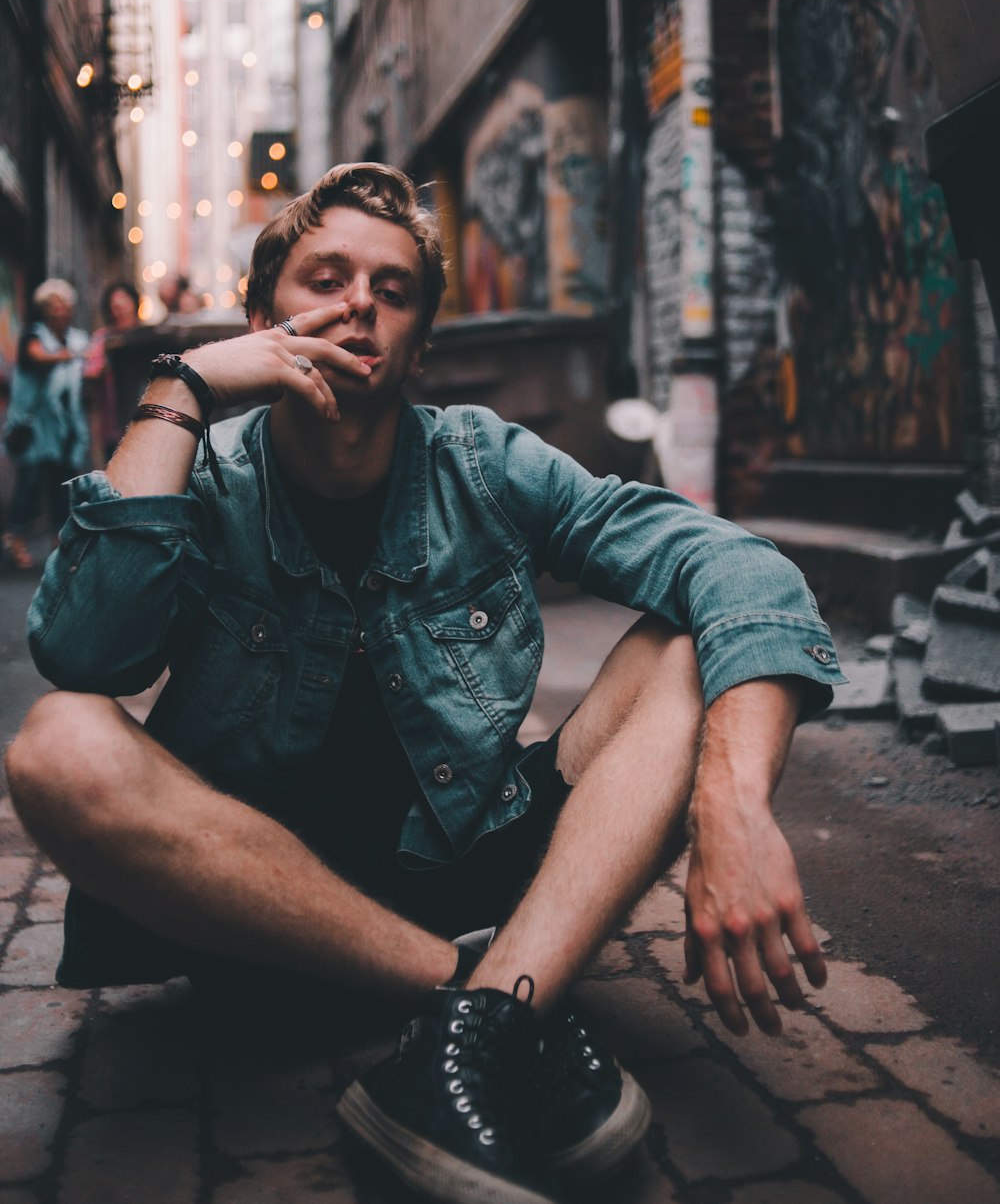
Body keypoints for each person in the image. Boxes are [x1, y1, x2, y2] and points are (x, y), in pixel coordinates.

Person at [6, 164, 843, 1204]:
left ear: (418, 343)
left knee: (686, 646)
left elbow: (740, 567)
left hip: (481, 868)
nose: (360, 302)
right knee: (58, 741)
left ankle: (468, 1027)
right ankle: (486, 1008)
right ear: (264, 316)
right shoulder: (205, 477)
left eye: (393, 289)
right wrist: (182, 385)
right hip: (269, 904)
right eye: (326, 276)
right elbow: (85, 649)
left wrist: (732, 797)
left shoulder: (480, 461)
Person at [2, 279, 89, 571]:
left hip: (66, 427)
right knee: (28, 484)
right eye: (54, 304)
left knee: (62, 485)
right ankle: (15, 538)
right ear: (44, 309)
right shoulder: (33, 337)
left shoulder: (78, 339)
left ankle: (59, 540)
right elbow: (37, 357)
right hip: (36, 429)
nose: (60, 310)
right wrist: (73, 355)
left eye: (64, 304)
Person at [82, 281, 142, 468]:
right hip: (112, 421)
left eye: (124, 304)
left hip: (145, 418)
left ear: (134, 304)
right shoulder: (103, 339)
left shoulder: (147, 335)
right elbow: (90, 371)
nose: (120, 310)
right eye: (115, 307)